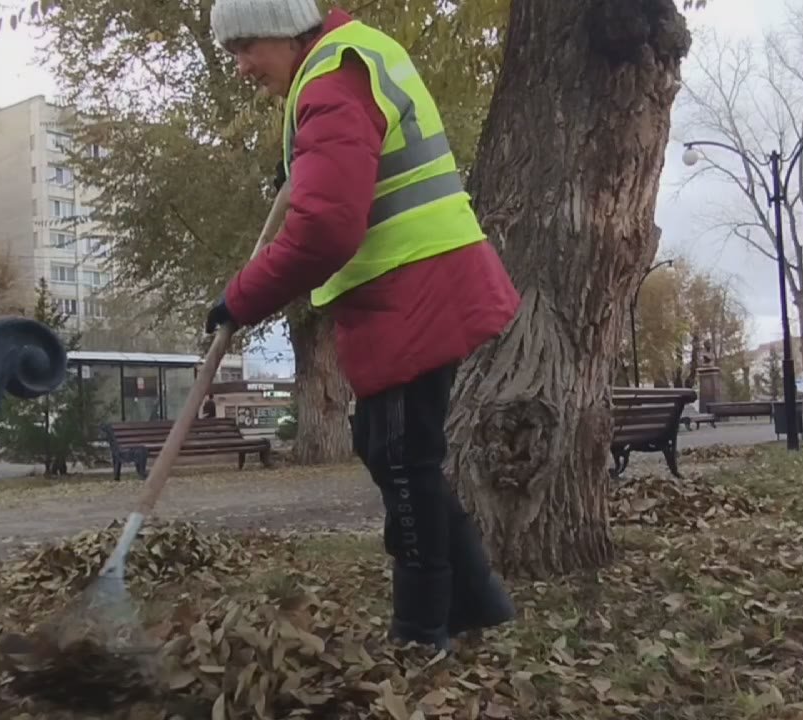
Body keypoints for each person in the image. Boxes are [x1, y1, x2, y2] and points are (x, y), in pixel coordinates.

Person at [206, 0, 521, 649]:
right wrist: (302, 169)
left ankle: (421, 631)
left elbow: (324, 230)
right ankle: (480, 603)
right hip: (403, 290)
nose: (240, 66)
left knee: (406, 461)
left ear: (281, 29)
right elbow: (346, 182)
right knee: (388, 450)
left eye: (245, 47)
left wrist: (241, 299)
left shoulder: (331, 80)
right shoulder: (342, 64)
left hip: (417, 288)